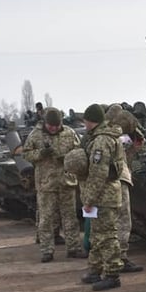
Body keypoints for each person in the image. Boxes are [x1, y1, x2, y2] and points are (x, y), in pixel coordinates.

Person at [23, 107, 85, 262]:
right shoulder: (35, 135)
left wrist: (67, 158)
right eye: (51, 126)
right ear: (45, 123)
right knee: (46, 219)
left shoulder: (69, 133)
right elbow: (26, 154)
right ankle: (47, 250)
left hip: (66, 181)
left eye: (57, 126)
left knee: (70, 217)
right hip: (46, 183)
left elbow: (79, 152)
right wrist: (41, 154)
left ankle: (74, 248)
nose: (54, 128)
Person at [79, 104, 126, 291]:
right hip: (104, 194)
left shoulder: (101, 141)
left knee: (106, 236)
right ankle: (95, 270)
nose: (84, 124)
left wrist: (89, 200)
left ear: (91, 121)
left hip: (103, 195)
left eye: (85, 120)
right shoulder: (103, 137)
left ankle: (113, 274)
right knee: (97, 235)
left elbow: (98, 174)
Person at [106, 103, 145, 273]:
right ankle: (119, 258)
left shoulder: (101, 136)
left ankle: (106, 258)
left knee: (104, 222)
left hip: (103, 184)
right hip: (117, 181)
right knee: (122, 220)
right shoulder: (114, 137)